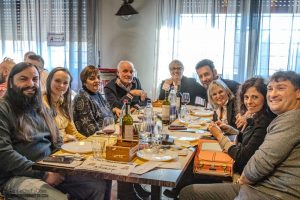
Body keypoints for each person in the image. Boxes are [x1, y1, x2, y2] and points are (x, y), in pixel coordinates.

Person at [180, 71, 300, 200]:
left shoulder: (290, 120)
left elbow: (256, 163)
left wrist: (242, 179)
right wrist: (232, 130)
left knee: (192, 183)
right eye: (270, 89)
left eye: (281, 88)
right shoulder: (275, 118)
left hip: (270, 191)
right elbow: (253, 141)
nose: (273, 94)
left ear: (298, 93)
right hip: (264, 185)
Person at [0, 62, 106, 199]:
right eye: (23, 79)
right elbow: (4, 153)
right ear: (11, 82)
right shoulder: (4, 109)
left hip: (48, 166)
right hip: (15, 177)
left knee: (95, 185)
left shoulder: (40, 108)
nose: (31, 84)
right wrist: (44, 175)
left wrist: (67, 164)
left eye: (35, 79)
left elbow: (57, 141)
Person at [208, 77, 276, 174]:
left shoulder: (264, 123)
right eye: (246, 97)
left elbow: (241, 157)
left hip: (244, 174)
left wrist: (219, 136)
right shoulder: (258, 116)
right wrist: (230, 130)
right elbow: (246, 138)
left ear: (265, 97)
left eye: (255, 97)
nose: (249, 102)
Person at [43, 67, 86, 142]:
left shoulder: (64, 104)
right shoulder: (42, 103)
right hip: (53, 147)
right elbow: (44, 136)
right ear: (49, 81)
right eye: (57, 81)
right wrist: (64, 139)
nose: (61, 85)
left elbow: (73, 133)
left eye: (65, 83)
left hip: (67, 144)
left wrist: (89, 141)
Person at [73, 65, 115, 137]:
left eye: (98, 77)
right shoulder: (82, 98)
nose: (97, 80)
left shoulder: (97, 94)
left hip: (107, 134)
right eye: (92, 79)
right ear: (84, 82)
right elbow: (90, 130)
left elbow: (110, 115)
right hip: (93, 141)